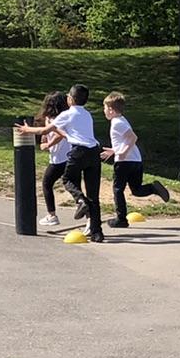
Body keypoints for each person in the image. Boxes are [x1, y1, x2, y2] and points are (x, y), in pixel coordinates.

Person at [101, 92, 171, 227]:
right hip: (135, 160)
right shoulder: (122, 120)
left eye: (104, 108)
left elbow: (133, 138)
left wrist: (122, 152)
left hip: (124, 162)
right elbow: (125, 140)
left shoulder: (117, 123)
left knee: (118, 189)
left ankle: (121, 219)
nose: (103, 111)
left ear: (111, 109)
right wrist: (114, 150)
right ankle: (153, 188)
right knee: (136, 190)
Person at [19, 91, 80, 232]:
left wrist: (49, 143)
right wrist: (45, 140)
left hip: (60, 158)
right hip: (68, 157)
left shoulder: (57, 120)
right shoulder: (60, 118)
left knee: (47, 183)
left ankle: (52, 215)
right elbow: (47, 134)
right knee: (74, 185)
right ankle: (85, 210)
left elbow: (60, 135)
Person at [52, 83, 105, 242]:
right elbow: (71, 133)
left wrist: (27, 130)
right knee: (93, 194)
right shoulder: (87, 114)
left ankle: (81, 201)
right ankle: (97, 232)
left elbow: (45, 130)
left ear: (70, 99)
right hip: (94, 152)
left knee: (67, 179)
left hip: (78, 152)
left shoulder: (68, 114)